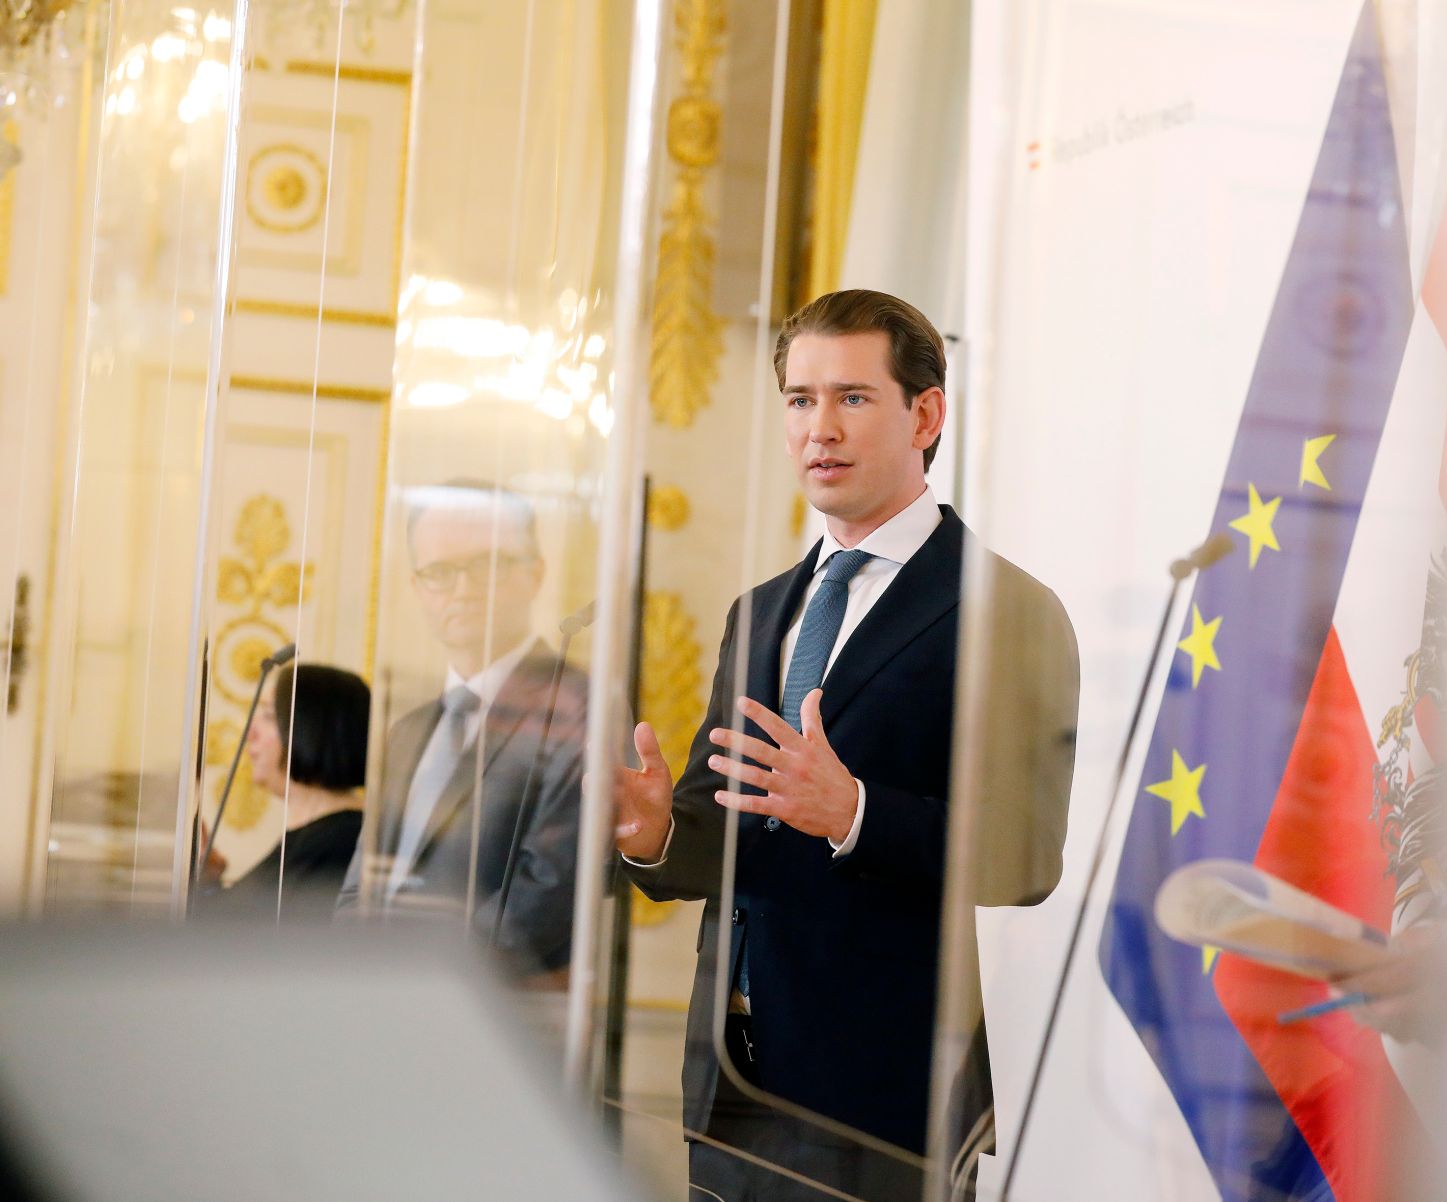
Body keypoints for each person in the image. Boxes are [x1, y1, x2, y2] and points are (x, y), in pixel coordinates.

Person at [616, 290, 1080, 1201]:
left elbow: (1026, 858)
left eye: (852, 398)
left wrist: (857, 814)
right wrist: (656, 836)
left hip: (882, 1092)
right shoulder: (760, 610)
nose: (818, 428)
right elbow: (734, 829)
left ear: (926, 413)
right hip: (729, 1074)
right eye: (799, 399)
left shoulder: (1008, 611)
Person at [337, 480, 588, 978]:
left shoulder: (576, 703)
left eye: (487, 566)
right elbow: (359, 884)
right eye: (439, 572)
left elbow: (552, 883)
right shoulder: (407, 730)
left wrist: (432, 982)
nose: (463, 590)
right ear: (416, 587)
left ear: (533, 574)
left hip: (491, 1011)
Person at [199, 663, 370, 921]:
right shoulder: (309, 834)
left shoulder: (345, 843)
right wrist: (210, 880)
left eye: (268, 716)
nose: (249, 733)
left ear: (313, 729)